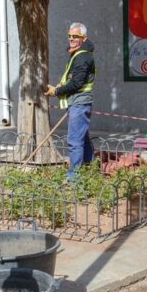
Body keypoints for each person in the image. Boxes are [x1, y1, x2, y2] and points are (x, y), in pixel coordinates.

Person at [45, 22, 96, 180]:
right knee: (82, 138)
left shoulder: (83, 57)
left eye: (75, 36)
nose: (71, 39)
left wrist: (57, 91)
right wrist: (61, 86)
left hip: (80, 103)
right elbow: (73, 79)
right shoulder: (78, 54)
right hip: (77, 102)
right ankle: (91, 170)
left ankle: (74, 178)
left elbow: (77, 83)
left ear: (84, 38)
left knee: (74, 141)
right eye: (69, 36)